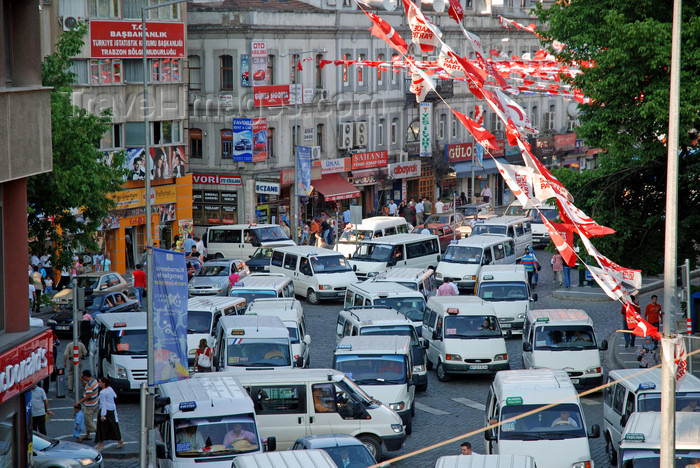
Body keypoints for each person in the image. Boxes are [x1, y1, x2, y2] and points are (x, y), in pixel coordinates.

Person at [94, 376, 125, 450]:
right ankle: (119, 440)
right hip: (111, 410)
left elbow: (103, 404)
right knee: (113, 425)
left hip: (105, 410)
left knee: (101, 427)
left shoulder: (102, 392)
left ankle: (101, 443)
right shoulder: (110, 389)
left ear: (104, 383)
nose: (99, 383)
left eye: (100, 382)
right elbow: (115, 396)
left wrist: (102, 414)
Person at [76, 370, 99, 442]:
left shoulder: (89, 385)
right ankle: (88, 435)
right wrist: (82, 381)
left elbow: (88, 395)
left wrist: (79, 401)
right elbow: (85, 387)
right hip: (95, 403)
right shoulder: (94, 381)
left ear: (85, 376)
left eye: (83, 376)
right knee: (90, 419)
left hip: (90, 405)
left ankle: (99, 433)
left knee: (88, 421)